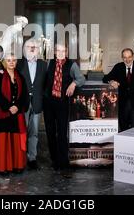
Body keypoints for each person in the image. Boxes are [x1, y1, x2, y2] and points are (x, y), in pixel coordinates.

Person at [44, 44, 85, 178]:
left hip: (62, 103)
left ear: (66, 52)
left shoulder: (71, 65)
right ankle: (55, 160)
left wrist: (73, 83)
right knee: (50, 132)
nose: (61, 53)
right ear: (55, 52)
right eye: (58, 50)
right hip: (48, 103)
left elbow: (81, 78)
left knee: (62, 132)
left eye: (63, 51)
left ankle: (63, 162)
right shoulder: (48, 63)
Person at [0, 53, 29, 175]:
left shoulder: (20, 77)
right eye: (9, 60)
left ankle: (17, 165)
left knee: (15, 139)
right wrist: (8, 107)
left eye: (13, 60)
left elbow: (24, 95)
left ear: (16, 62)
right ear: (4, 62)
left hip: (16, 114)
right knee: (4, 139)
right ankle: (3, 166)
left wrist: (17, 106)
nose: (11, 62)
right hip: (2, 113)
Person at [17, 39, 47, 170]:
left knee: (34, 132)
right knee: (21, 132)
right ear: (24, 49)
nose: (32, 48)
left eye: (35, 47)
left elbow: (47, 84)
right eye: (29, 46)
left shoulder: (43, 64)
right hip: (22, 103)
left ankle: (32, 158)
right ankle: (20, 157)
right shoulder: (18, 63)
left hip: (37, 103)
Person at [103, 48, 134, 132]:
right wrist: (111, 81)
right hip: (123, 105)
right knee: (124, 129)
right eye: (124, 57)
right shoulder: (118, 67)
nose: (127, 60)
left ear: (133, 56)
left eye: (129, 57)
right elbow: (105, 78)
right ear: (122, 57)